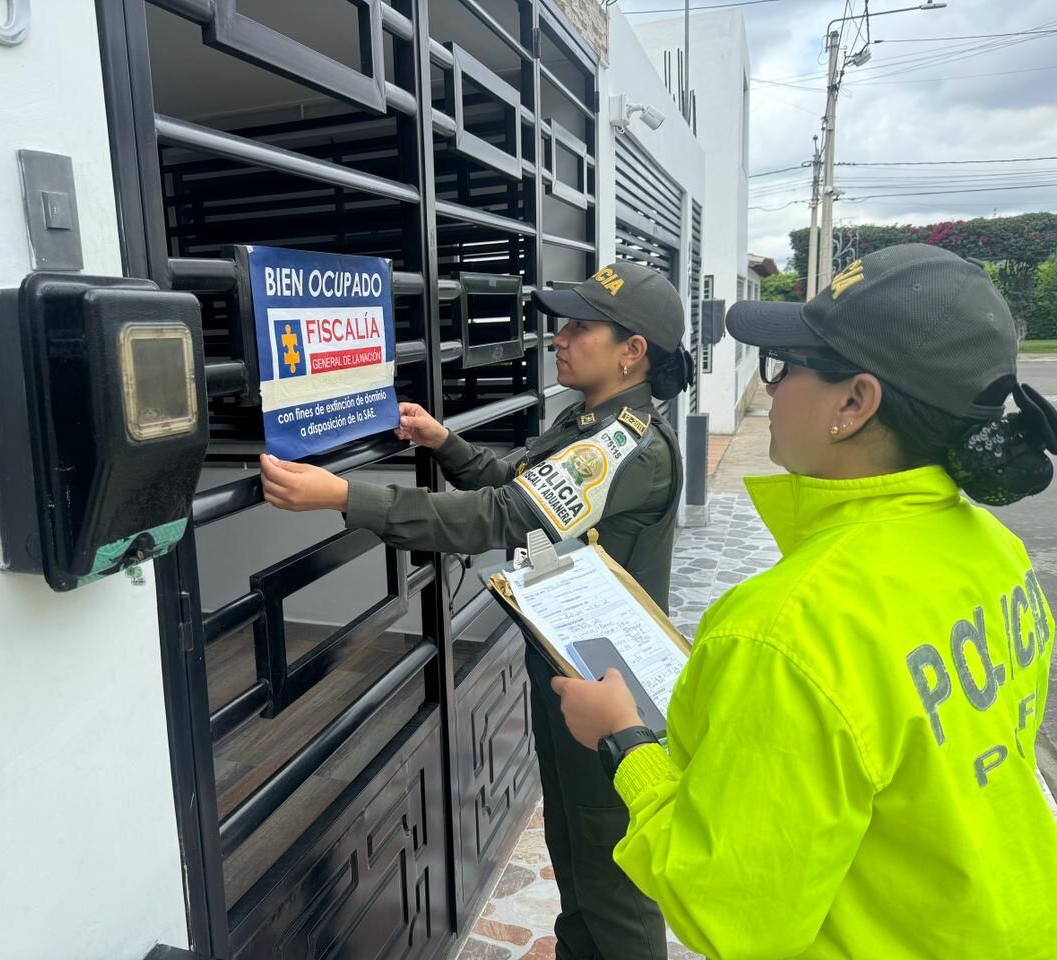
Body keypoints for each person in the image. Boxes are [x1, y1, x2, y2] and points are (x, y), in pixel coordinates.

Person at [552, 244, 1057, 959]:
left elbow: (725, 908)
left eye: (786, 367)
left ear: (853, 403)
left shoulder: (782, 631)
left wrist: (624, 740)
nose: (774, 390)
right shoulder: (997, 551)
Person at [260, 261, 695, 960]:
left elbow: (502, 515)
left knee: (613, 876)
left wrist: (347, 496)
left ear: (632, 350)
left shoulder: (623, 446)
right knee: (579, 855)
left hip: (612, 691)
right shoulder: (590, 423)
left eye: (580, 327)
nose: (559, 338)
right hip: (573, 674)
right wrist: (443, 441)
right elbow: (520, 482)